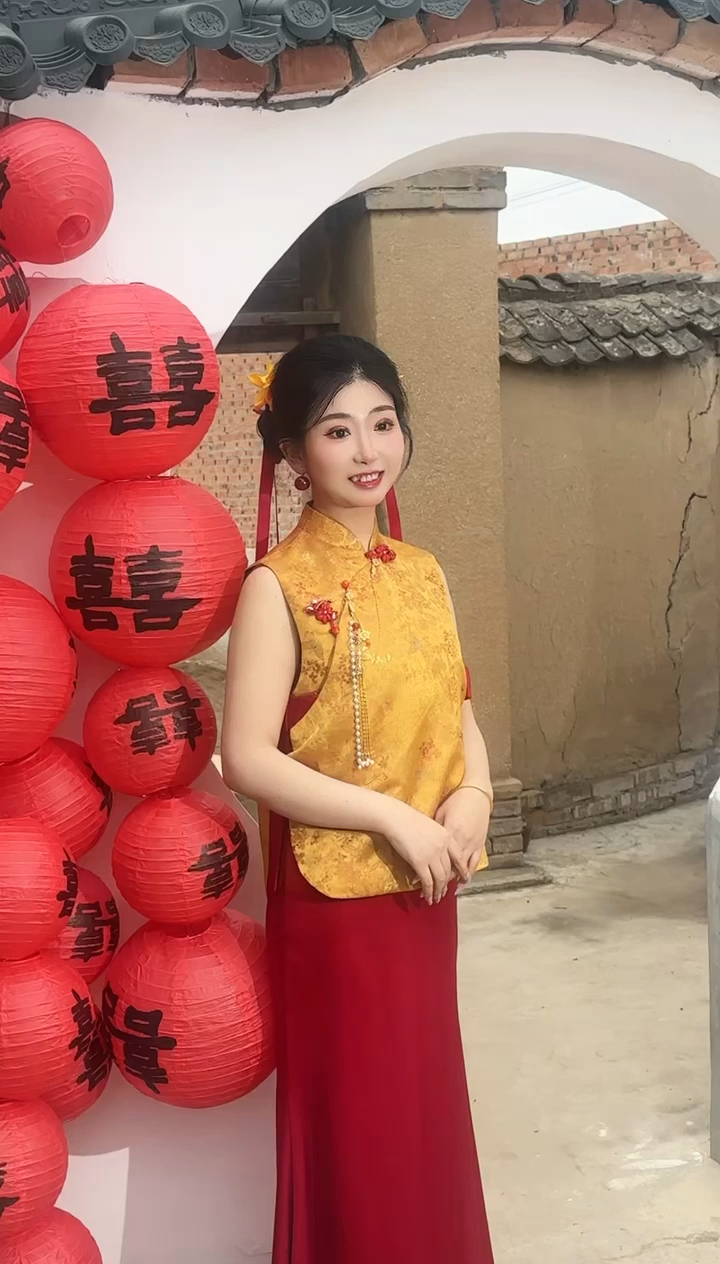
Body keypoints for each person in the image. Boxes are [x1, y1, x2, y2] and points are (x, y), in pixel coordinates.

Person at [222, 334, 495, 1264]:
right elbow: (246, 758)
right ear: (294, 453)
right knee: (361, 1129)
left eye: (383, 423)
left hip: (427, 888)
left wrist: (476, 794)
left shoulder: (423, 572)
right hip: (335, 910)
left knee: (424, 1116)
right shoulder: (276, 586)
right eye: (338, 431)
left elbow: (457, 708)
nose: (368, 450)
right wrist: (392, 816)